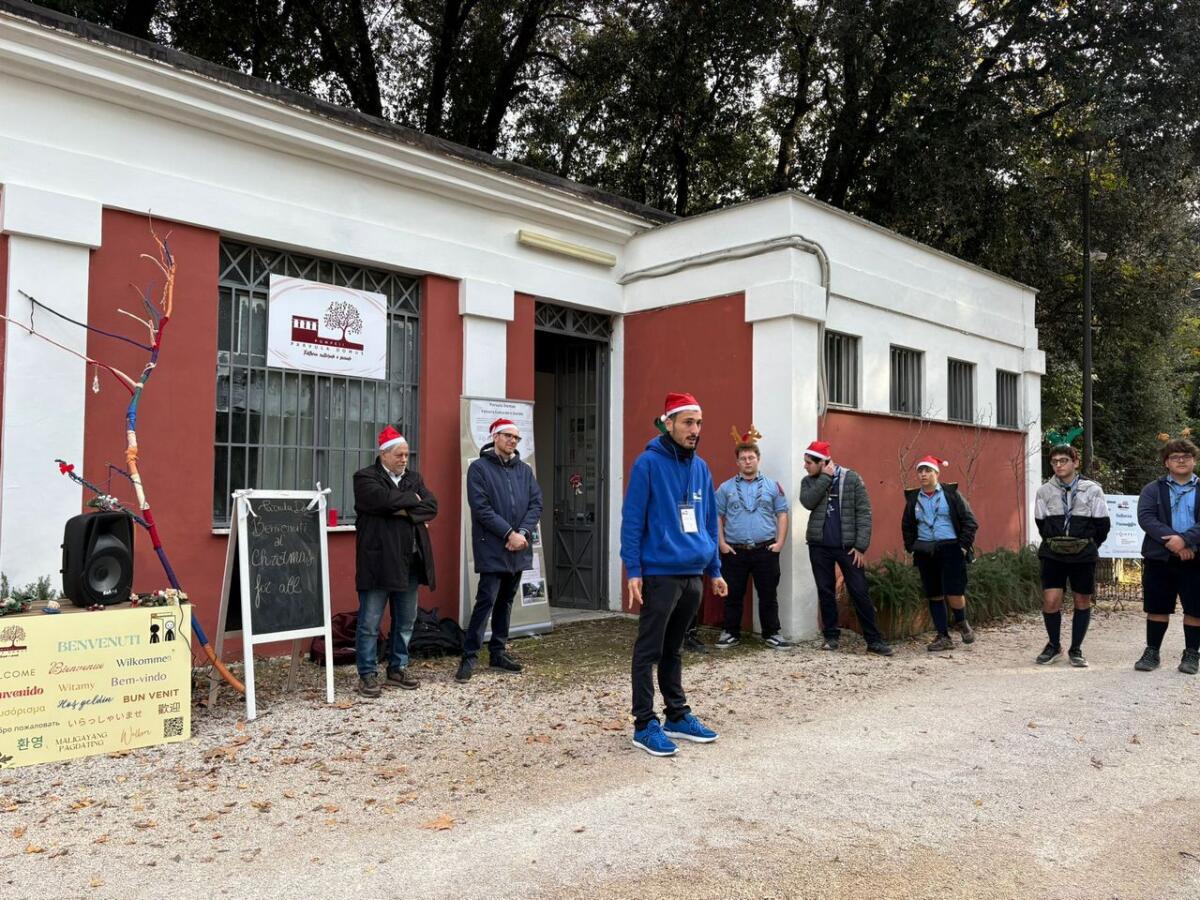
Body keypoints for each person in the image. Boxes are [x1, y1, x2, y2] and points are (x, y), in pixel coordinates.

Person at [622, 392, 728, 757]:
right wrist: (633, 569)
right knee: (648, 649)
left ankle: (677, 715)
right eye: (687, 422)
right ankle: (643, 724)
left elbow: (709, 523)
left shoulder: (701, 467)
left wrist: (714, 568)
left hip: (692, 573)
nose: (695, 430)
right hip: (660, 572)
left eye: (699, 423)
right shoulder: (647, 464)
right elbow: (633, 520)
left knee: (675, 648)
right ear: (668, 423)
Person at [353, 425, 438, 697]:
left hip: (410, 562)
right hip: (377, 562)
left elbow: (432, 505)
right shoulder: (365, 477)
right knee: (370, 622)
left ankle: (397, 668)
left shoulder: (414, 478)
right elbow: (380, 500)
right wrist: (412, 504)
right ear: (384, 455)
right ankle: (367, 674)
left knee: (406, 620)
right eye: (399, 455)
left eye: (407, 455)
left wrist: (402, 509)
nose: (404, 459)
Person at [457, 417, 543, 683]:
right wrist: (509, 533)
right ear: (495, 436)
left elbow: (535, 504)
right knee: (486, 601)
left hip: (518, 547)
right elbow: (481, 508)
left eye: (516, 438)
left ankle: (498, 652)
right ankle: (469, 656)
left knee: (506, 601)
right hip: (493, 546)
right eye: (508, 436)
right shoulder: (479, 469)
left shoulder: (525, 470)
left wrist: (523, 534)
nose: (513, 442)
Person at [799, 440, 893, 656]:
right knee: (825, 590)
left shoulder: (851, 478)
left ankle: (874, 640)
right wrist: (825, 478)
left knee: (859, 591)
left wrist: (861, 546)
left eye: (808, 462)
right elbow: (808, 502)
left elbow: (864, 512)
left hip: (848, 548)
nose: (805, 466)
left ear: (822, 462)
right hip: (819, 545)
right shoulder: (810, 481)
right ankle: (831, 637)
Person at [1033, 443, 1110, 667]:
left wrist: (1088, 544)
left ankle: (1076, 648)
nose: (1058, 465)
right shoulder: (1044, 491)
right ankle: (1053, 644)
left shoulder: (1093, 489)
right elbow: (1041, 523)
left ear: (1075, 463)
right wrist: (1057, 539)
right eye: (1054, 462)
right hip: (1053, 553)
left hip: (1082, 553)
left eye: (1063, 461)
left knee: (1082, 599)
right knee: (1051, 600)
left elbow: (1102, 525)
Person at [714, 428, 791, 649]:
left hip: (765, 550)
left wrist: (779, 543)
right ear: (737, 462)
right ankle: (730, 632)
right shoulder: (725, 488)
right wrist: (722, 543)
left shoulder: (772, 486)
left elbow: (782, 513)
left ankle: (772, 633)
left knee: (768, 594)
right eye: (743, 458)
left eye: (751, 457)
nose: (747, 461)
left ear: (758, 459)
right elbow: (717, 516)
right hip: (734, 551)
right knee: (733, 594)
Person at [1133, 437, 1200, 675]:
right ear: (1166, 463)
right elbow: (1146, 518)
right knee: (1157, 606)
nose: (1181, 460)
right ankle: (1152, 652)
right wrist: (1175, 542)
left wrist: (1186, 540)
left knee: (1195, 609)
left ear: (1194, 460)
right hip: (1159, 558)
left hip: (1196, 558)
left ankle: (1192, 654)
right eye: (1175, 457)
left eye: (1186, 456)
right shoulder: (1152, 489)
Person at [901, 456, 978, 652]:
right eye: (920, 471)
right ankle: (943, 636)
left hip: (951, 547)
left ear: (937, 473)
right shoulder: (913, 499)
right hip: (925, 550)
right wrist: (911, 547)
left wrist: (962, 547)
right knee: (933, 594)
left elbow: (970, 522)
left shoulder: (951, 495)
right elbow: (907, 526)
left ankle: (961, 622)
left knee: (954, 592)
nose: (923, 474)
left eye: (927, 470)